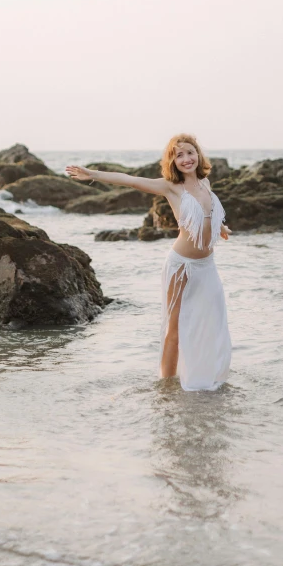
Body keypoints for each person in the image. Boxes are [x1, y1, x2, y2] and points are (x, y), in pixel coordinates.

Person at [65, 133, 232, 391]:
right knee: (175, 329)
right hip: (182, 266)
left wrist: (220, 228)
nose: (186, 159)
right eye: (179, 155)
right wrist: (93, 174)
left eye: (190, 152)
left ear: (198, 155)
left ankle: (207, 378)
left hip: (207, 267)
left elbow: (206, 214)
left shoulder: (205, 183)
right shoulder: (170, 187)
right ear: (172, 162)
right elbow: (131, 181)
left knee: (213, 322)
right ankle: (166, 386)